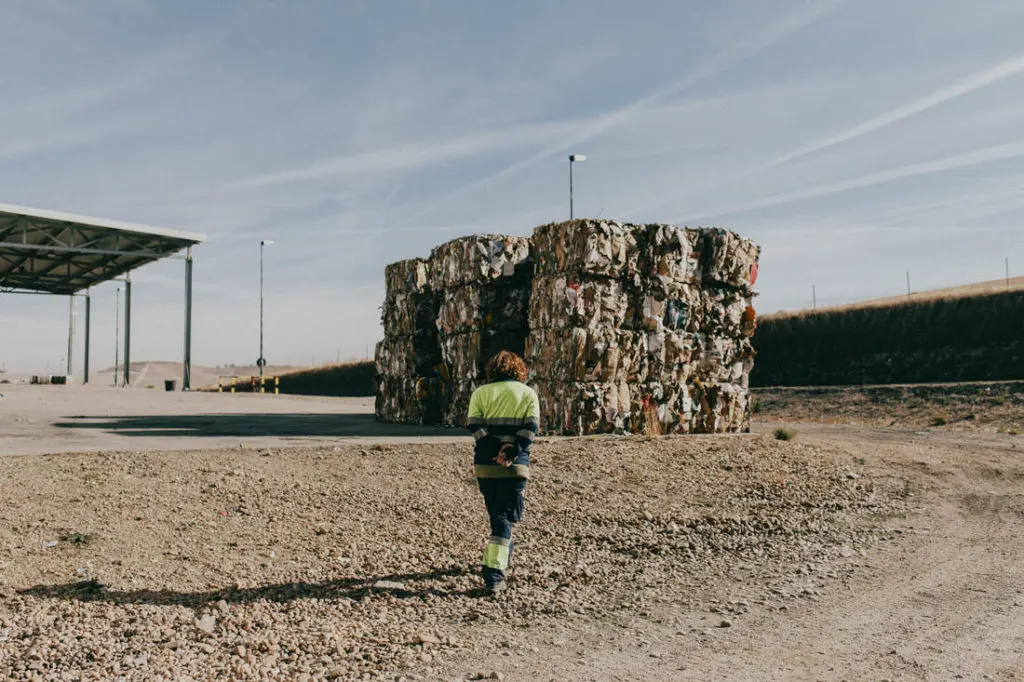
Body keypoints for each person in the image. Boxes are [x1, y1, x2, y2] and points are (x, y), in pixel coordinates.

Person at [466, 350, 539, 594]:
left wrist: (494, 449)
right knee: (503, 519)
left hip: (486, 466)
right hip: (515, 466)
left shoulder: (480, 393)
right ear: (519, 369)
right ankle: (494, 573)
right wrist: (510, 451)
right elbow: (530, 429)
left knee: (498, 514)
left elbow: (475, 426)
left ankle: (503, 550)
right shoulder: (528, 394)